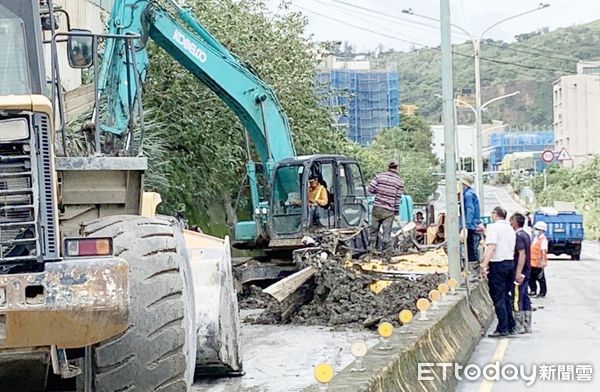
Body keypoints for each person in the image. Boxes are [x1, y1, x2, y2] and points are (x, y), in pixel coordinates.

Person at [480, 206, 516, 338]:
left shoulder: (493, 228)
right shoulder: (510, 229)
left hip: (498, 264)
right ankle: (511, 325)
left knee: (498, 296)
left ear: (495, 214)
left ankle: (502, 327)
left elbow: (492, 246)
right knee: (506, 295)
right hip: (510, 263)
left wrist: (484, 264)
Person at [367, 160, 404, 252]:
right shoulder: (399, 182)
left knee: (373, 232)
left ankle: (371, 252)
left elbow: (370, 189)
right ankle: (385, 256)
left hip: (377, 208)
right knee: (386, 234)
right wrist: (396, 212)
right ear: (397, 168)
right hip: (389, 211)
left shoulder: (379, 177)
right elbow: (397, 199)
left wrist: (378, 192)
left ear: (388, 167)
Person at [510, 212, 532, 334]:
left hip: (521, 271)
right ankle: (527, 325)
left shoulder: (518, 236)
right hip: (527, 271)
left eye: (511, 221)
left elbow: (522, 255)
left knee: (517, 298)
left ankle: (519, 326)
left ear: (515, 223)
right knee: (525, 297)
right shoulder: (526, 235)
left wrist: (518, 273)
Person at [461, 174, 482, 264]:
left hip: (470, 226)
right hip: (473, 224)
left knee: (470, 249)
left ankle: (472, 269)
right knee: (471, 247)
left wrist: (466, 225)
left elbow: (470, 209)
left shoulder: (468, 195)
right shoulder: (470, 193)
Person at [529, 221, 548, 297]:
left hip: (538, 262)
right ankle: (533, 290)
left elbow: (543, 251)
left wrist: (543, 262)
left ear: (541, 230)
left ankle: (542, 292)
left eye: (537, 229)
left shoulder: (543, 239)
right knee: (531, 277)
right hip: (532, 262)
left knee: (540, 278)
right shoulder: (536, 238)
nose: (535, 230)